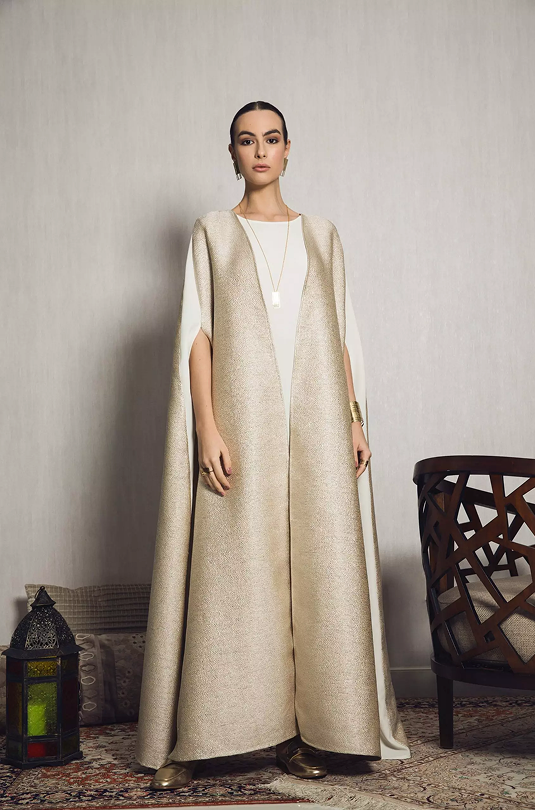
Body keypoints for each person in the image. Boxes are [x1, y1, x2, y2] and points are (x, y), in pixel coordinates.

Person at [135, 101, 411, 790]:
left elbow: (341, 337)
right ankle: (207, 735)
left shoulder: (323, 236)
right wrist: (207, 426)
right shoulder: (212, 233)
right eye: (246, 140)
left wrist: (353, 419)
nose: (260, 150)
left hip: (319, 423)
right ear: (231, 153)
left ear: (289, 149)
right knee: (234, 574)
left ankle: (315, 732)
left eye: (272, 139)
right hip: (243, 422)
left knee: (321, 570)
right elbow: (197, 337)